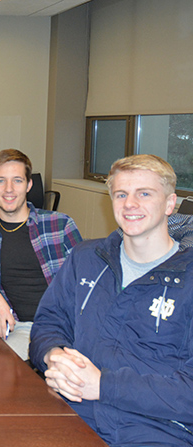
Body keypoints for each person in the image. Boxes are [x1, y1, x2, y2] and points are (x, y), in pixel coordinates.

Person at [30, 154, 193, 446]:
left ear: (170, 204)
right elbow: (48, 323)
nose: (130, 203)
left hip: (156, 431)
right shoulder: (86, 258)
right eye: (121, 194)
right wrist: (53, 356)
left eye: (144, 193)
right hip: (70, 412)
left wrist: (104, 386)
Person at [0, 149, 82, 360]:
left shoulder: (59, 225)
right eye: (0, 181)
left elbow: (87, 279)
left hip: (63, 325)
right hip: (19, 328)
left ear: (29, 185)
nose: (9, 189)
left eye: (17, 181)